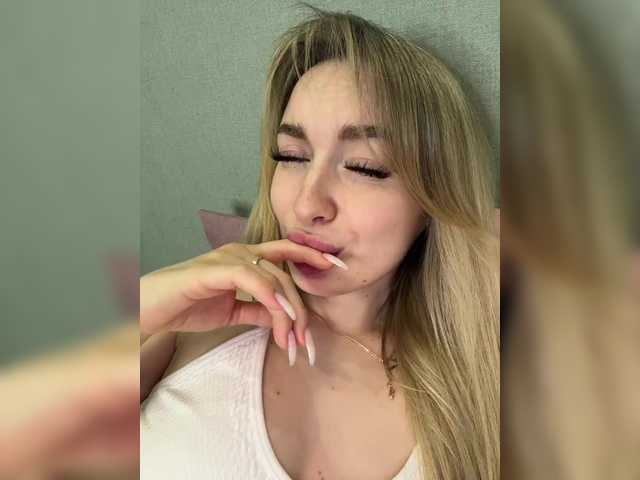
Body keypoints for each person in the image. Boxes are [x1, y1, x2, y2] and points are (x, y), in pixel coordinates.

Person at [140, 6, 499, 480]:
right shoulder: (191, 325)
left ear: (434, 201)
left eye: (365, 167)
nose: (307, 203)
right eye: (291, 156)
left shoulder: (483, 389)